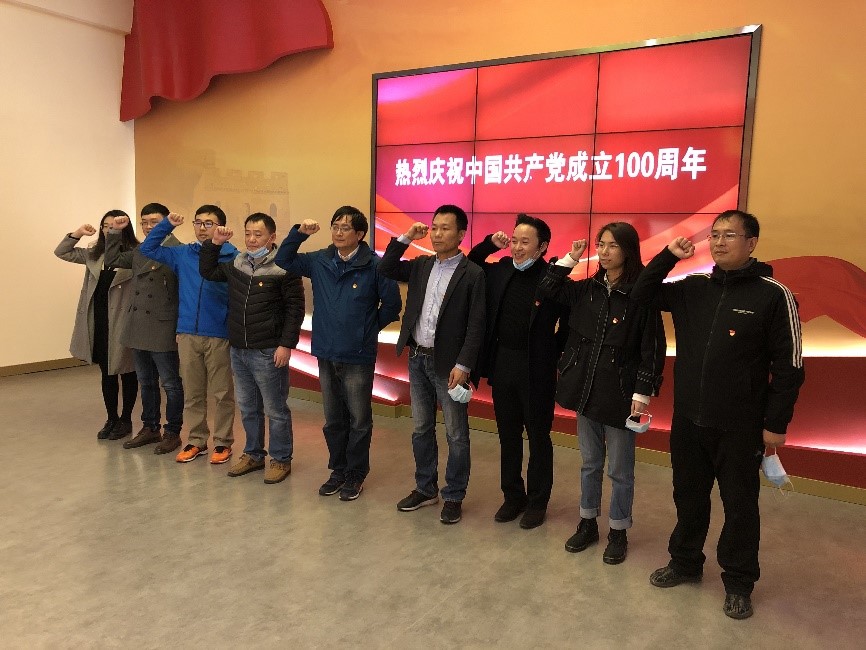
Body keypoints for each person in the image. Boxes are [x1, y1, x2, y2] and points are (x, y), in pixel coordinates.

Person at [630, 210, 805, 619]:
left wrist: (775, 424)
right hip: (689, 420)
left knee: (739, 507)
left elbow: (790, 366)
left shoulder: (773, 295)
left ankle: (739, 582)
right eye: (715, 235)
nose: (720, 242)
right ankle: (685, 562)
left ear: (751, 243)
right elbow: (640, 294)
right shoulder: (693, 288)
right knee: (688, 497)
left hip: (741, 427)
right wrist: (668, 256)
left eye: (730, 235)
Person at [539, 222, 665, 563]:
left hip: (621, 393)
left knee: (620, 470)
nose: (604, 251)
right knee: (590, 463)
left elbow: (652, 348)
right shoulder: (588, 289)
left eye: (612, 245)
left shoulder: (641, 294)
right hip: (585, 388)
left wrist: (642, 393)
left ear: (628, 250)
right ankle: (587, 522)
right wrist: (571, 258)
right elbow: (548, 288)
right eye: (600, 244)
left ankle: (618, 530)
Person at [274, 206, 401, 500]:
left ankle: (356, 473)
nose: (339, 232)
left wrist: (367, 329)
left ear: (360, 234)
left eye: (345, 228)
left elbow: (392, 306)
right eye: (335, 226)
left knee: (358, 419)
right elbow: (284, 259)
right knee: (333, 419)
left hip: (358, 354)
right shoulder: (320, 260)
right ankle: (338, 469)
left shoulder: (375, 265)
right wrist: (299, 234)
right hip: (326, 351)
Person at [379, 204, 486, 525]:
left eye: (445, 228)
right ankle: (425, 488)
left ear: (461, 234)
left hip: (450, 365)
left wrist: (464, 364)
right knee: (421, 428)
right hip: (417, 357)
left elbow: (477, 324)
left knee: (456, 433)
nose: (437, 234)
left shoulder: (472, 274)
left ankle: (454, 495)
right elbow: (386, 267)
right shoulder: (422, 265)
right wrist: (406, 237)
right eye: (434, 227)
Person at [467, 214, 569, 529]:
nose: (517, 247)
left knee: (538, 437)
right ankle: (513, 496)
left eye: (526, 242)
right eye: (514, 241)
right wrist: (489, 244)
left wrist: (553, 351)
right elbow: (471, 263)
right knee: (507, 435)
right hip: (503, 363)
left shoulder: (553, 278)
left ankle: (537, 502)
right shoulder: (501, 270)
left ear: (543, 247)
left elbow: (568, 322)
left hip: (537, 367)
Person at [199, 214, 304, 484]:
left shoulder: (284, 267)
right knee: (247, 407)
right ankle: (254, 454)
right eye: (247, 234)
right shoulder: (238, 262)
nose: (251, 239)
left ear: (272, 237)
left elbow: (295, 310)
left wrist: (286, 345)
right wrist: (214, 244)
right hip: (239, 349)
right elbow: (208, 272)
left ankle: (281, 459)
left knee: (275, 409)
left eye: (258, 234)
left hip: (269, 350)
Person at [139, 206, 238, 465]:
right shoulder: (183, 253)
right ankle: (196, 440)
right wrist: (167, 225)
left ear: (221, 227)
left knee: (222, 393)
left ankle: (223, 442)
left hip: (219, 333)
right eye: (198, 223)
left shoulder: (233, 256)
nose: (202, 228)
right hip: (187, 333)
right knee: (193, 393)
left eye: (209, 223)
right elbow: (147, 249)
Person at [105, 203, 186, 454]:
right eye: (144, 222)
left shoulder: (178, 251)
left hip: (163, 325)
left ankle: (173, 431)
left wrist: (180, 327)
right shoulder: (141, 250)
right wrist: (115, 232)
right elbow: (112, 259)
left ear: (166, 223)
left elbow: (185, 294)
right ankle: (150, 427)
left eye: (154, 222)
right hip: (138, 325)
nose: (148, 227)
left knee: (170, 383)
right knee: (146, 381)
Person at [55, 211, 138, 440]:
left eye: (116, 225)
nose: (110, 230)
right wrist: (78, 233)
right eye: (106, 226)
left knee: (128, 371)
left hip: (124, 320)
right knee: (106, 371)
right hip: (99, 318)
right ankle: (112, 418)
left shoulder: (136, 253)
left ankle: (126, 419)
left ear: (126, 228)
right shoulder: (94, 253)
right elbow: (62, 252)